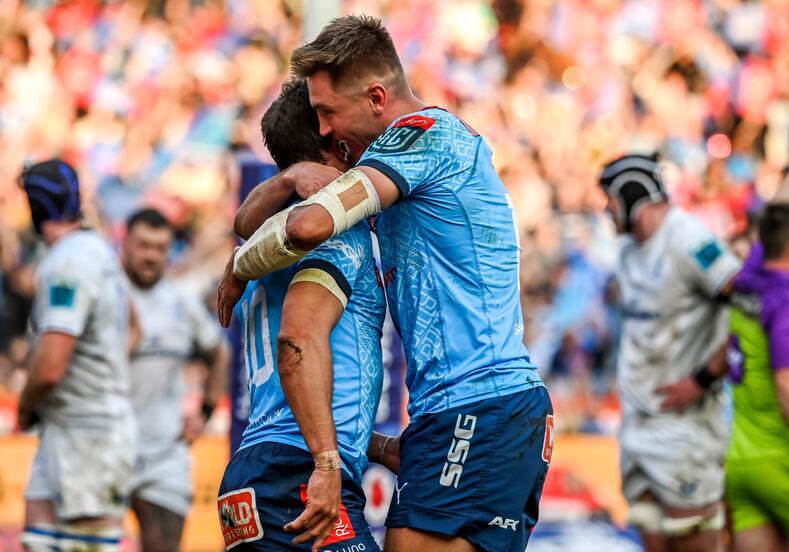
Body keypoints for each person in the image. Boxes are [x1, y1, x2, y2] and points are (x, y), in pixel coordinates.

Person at [218, 16, 552, 552]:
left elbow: (304, 226)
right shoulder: (390, 175)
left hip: (480, 402)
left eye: (329, 112)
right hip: (449, 413)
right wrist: (285, 181)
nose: (326, 129)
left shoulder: (421, 138)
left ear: (376, 98)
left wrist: (239, 265)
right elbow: (254, 225)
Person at [216, 79, 385, 552]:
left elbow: (288, 393)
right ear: (335, 139)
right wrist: (329, 463)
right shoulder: (327, 229)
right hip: (298, 473)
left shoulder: (266, 239)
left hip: (252, 475)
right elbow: (297, 346)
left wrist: (374, 446)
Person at [597, 153, 742, 552]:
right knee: (651, 534)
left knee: (693, 538)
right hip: (637, 423)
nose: (605, 209)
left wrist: (702, 379)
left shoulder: (689, 240)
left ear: (630, 195)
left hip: (685, 430)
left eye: (608, 198)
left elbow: (748, 307)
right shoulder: (629, 249)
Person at [18, 159, 136, 551]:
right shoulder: (99, 252)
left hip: (88, 435)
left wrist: (25, 404)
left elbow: (51, 367)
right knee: (39, 542)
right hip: (77, 429)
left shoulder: (68, 262)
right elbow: (135, 328)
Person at [121, 207, 229, 551]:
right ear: (125, 243)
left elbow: (219, 353)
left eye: (160, 247)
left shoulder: (181, 301)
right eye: (143, 245)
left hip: (164, 454)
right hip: (106, 447)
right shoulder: (105, 294)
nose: (151, 255)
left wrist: (206, 411)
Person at [726, 202, 789, 552]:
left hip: (741, 461)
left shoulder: (745, 285)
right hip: (783, 458)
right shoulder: (785, 302)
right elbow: (787, 383)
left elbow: (763, 243)